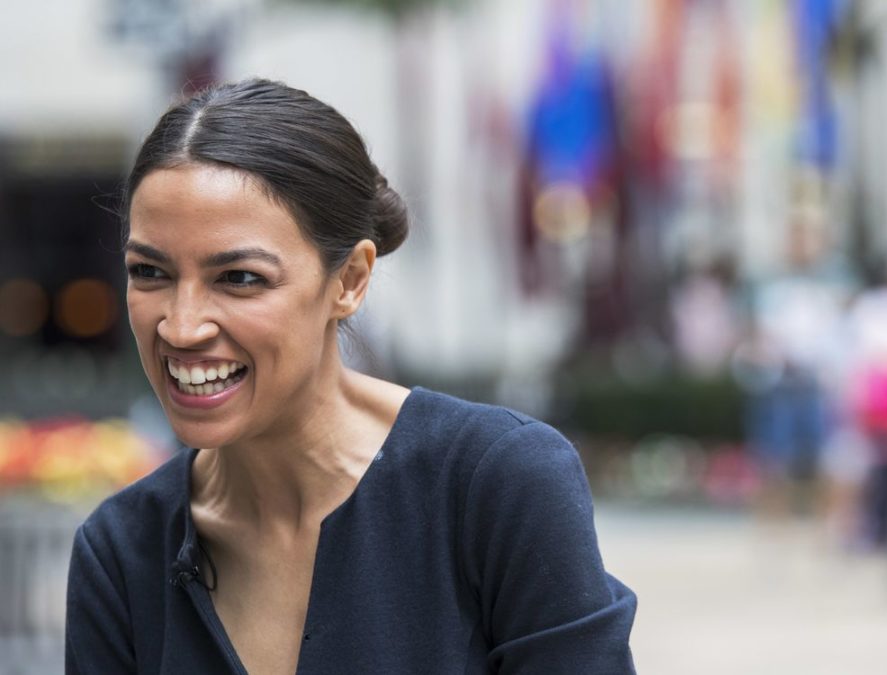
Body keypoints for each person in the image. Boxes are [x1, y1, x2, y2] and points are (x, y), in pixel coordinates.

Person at [65, 78, 637, 674]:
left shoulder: (498, 484)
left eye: (239, 278)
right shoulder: (120, 551)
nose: (181, 327)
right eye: (149, 272)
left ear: (350, 281)